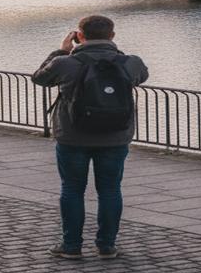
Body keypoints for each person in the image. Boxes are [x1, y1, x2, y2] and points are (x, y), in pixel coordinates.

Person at [32, 14, 149, 261]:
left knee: (72, 189)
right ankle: (106, 246)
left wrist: (61, 51)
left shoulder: (66, 63)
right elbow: (141, 75)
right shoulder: (130, 62)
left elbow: (39, 78)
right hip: (115, 138)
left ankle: (71, 246)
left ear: (79, 36)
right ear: (113, 36)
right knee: (110, 190)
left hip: (73, 137)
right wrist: (114, 53)